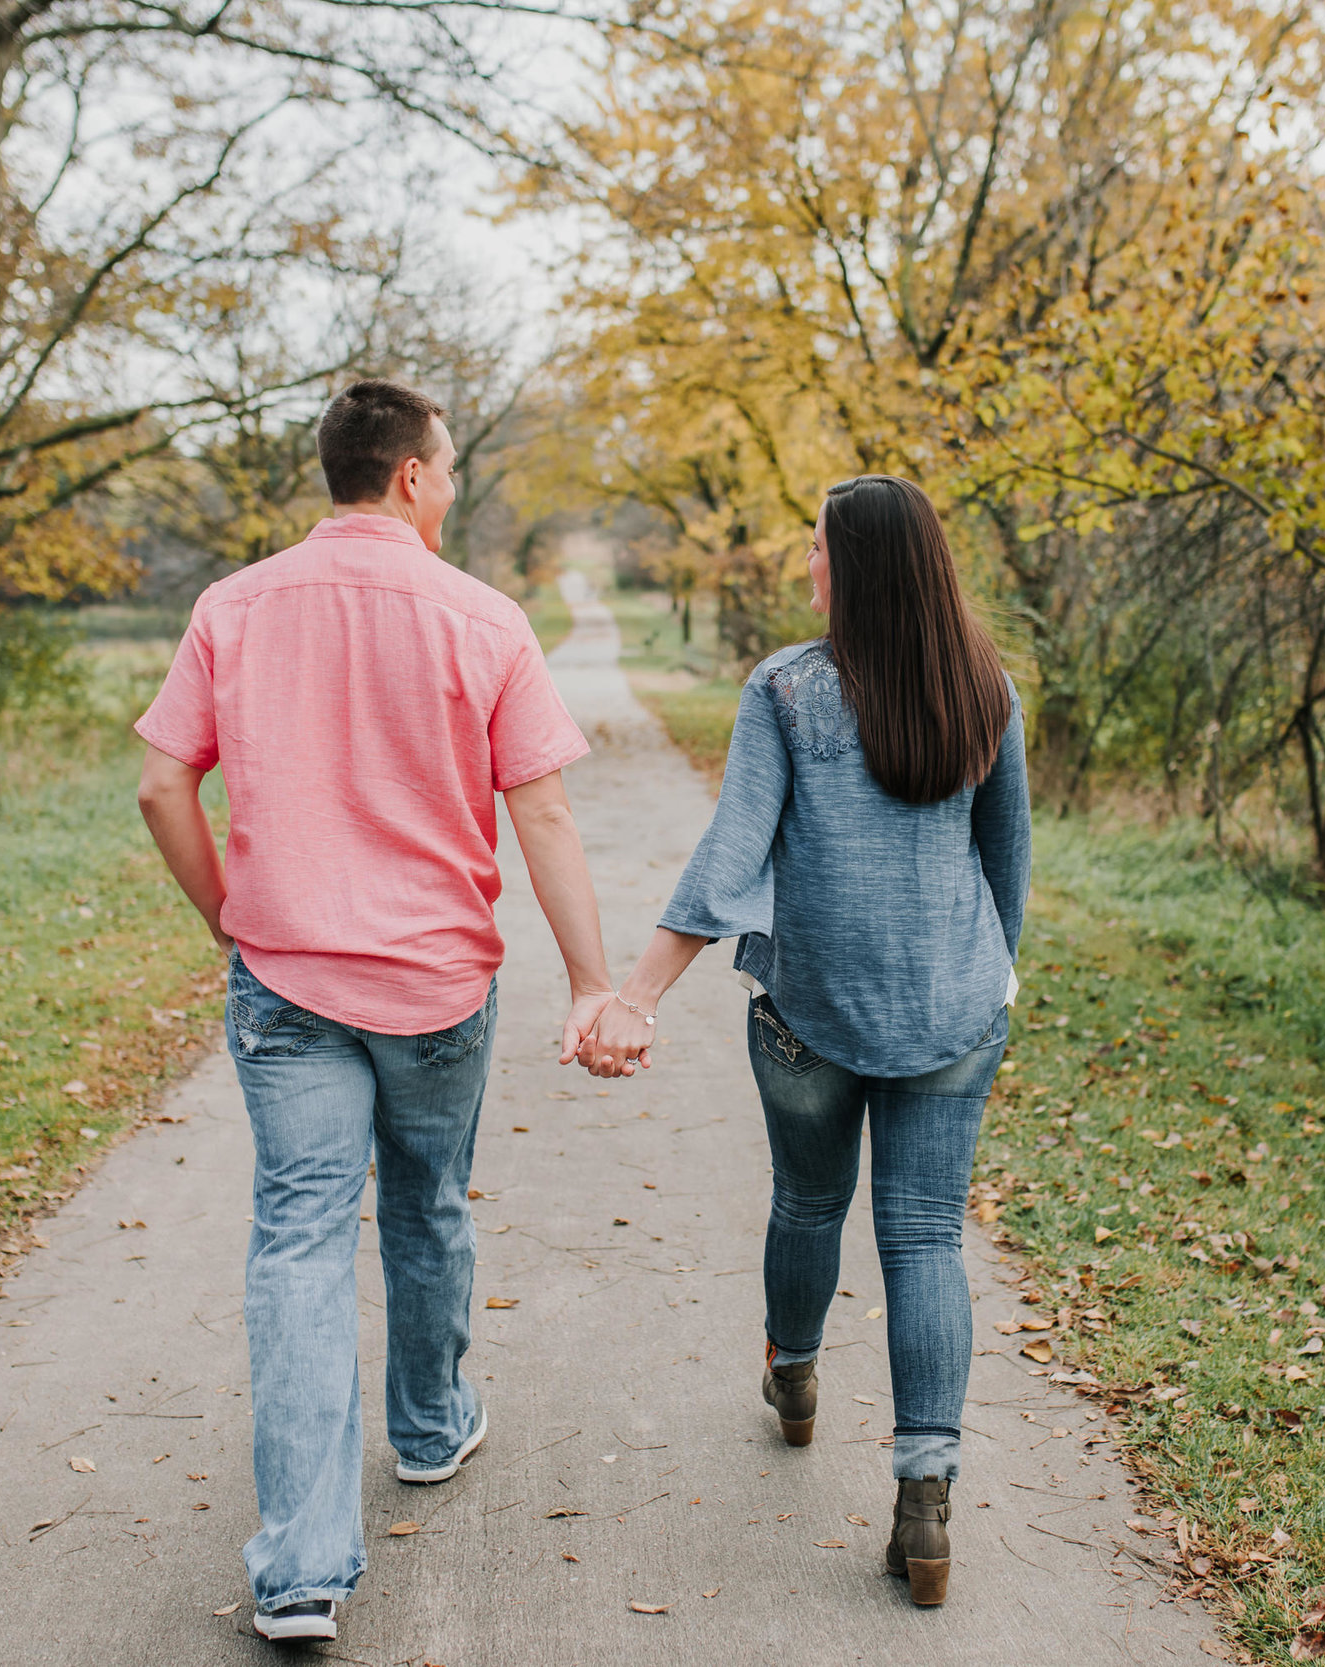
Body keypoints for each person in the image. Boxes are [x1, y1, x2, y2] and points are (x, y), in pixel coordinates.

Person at [134, 379, 616, 1642]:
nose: (451, 486)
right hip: (434, 985)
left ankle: (298, 1568)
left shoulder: (230, 606)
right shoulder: (482, 617)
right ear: (410, 474)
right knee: (427, 1200)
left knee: (296, 1236)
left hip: (285, 976)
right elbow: (545, 811)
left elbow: (159, 788)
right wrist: (588, 979)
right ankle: (428, 1426)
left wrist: (230, 916)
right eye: (448, 466)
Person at [579, 474, 1028, 1607]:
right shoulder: (985, 687)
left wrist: (634, 994)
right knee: (925, 1241)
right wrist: (990, 975)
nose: (807, 564)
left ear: (856, 564)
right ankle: (925, 1502)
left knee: (808, 1204)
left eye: (818, 546)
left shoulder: (788, 689)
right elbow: (1003, 860)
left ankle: (794, 1376)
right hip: (953, 1013)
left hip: (812, 1015)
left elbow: (729, 856)